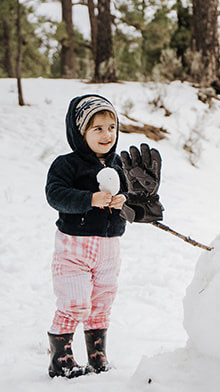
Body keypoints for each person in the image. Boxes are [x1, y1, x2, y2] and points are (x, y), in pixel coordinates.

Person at [44, 95, 128, 378]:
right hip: (74, 249)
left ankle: (96, 354)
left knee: (103, 300)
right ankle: (61, 358)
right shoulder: (67, 164)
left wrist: (123, 201)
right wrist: (89, 199)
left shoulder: (117, 166)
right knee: (75, 301)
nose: (107, 135)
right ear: (81, 133)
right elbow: (55, 194)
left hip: (108, 248)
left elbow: (128, 197)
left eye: (111, 127)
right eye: (98, 129)